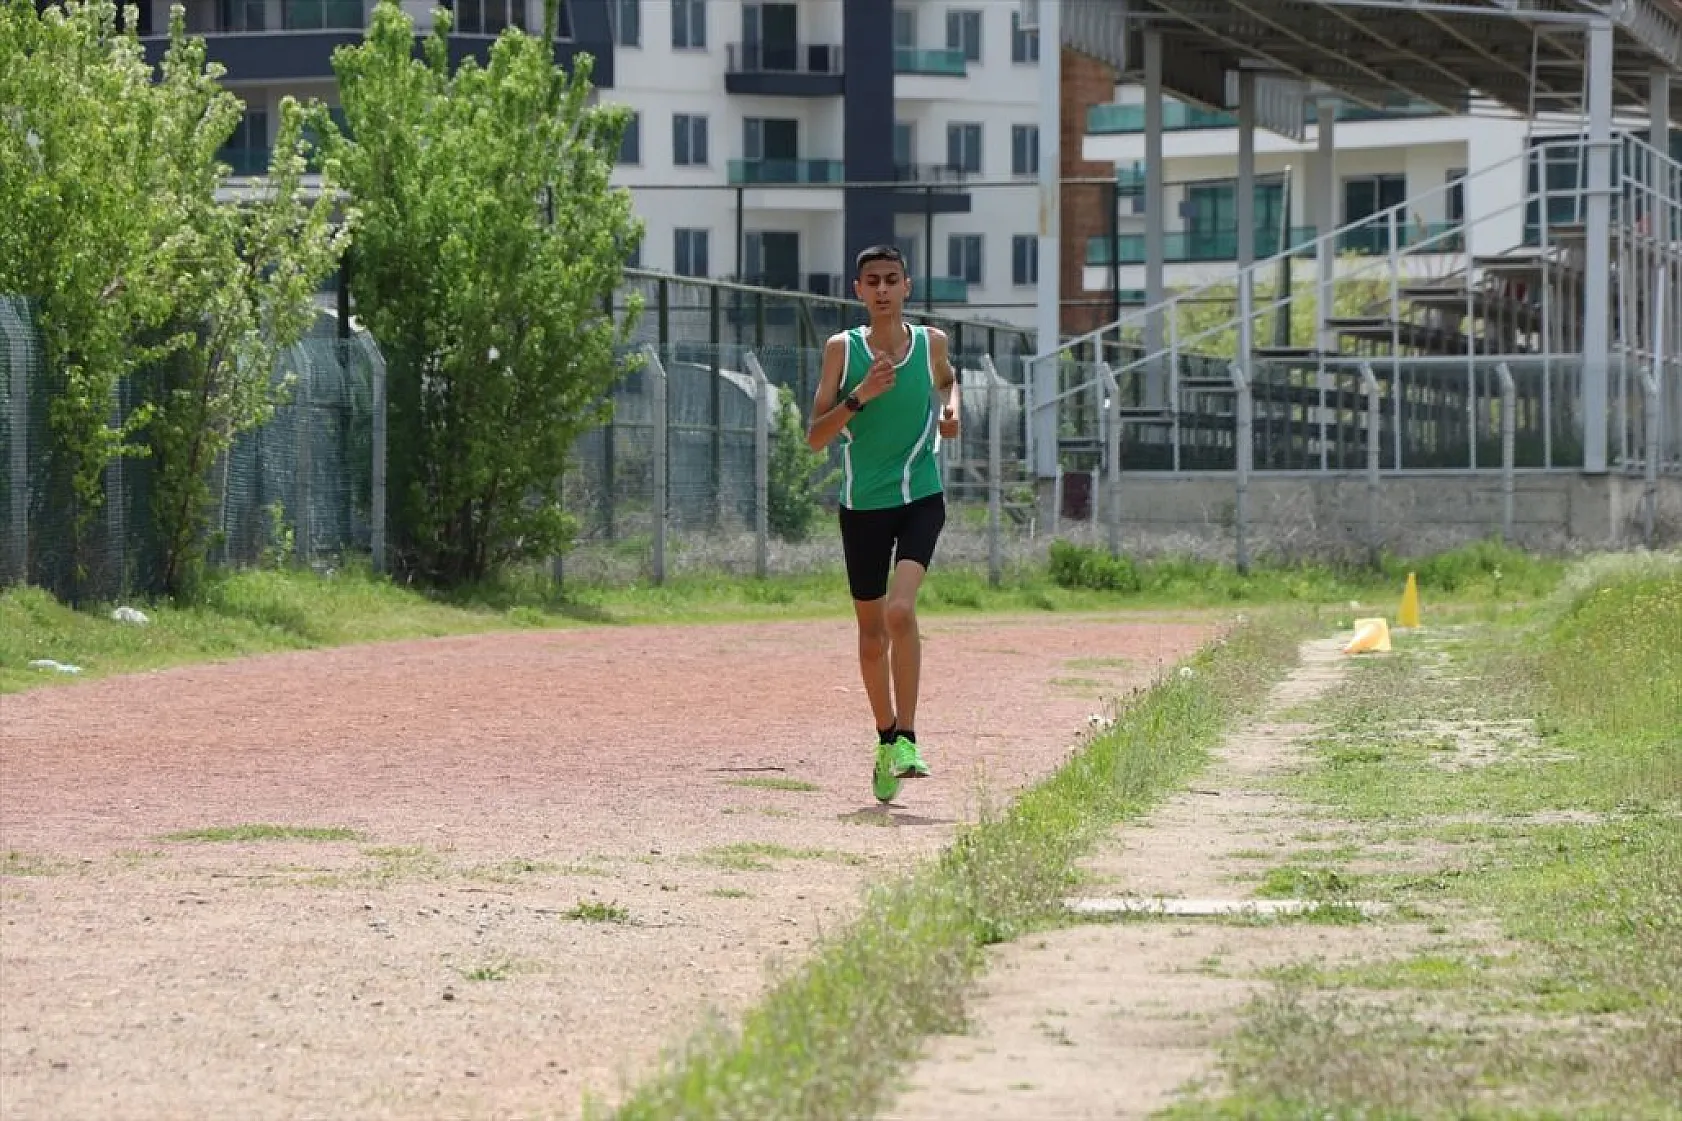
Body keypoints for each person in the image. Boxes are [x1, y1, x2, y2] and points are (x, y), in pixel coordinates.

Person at [806, 244, 960, 804]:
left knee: (900, 611)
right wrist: (860, 396)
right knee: (872, 637)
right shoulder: (841, 350)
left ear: (907, 286)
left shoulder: (931, 342)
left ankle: (910, 740)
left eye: (892, 280)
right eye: (872, 281)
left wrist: (952, 409)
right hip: (863, 505)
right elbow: (815, 437)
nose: (882, 290)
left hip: (921, 495)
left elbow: (947, 379)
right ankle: (886, 738)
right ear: (858, 291)